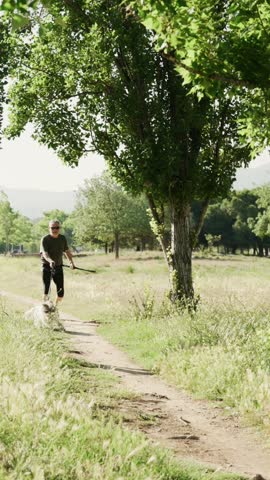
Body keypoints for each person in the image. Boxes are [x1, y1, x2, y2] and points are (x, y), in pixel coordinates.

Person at [40, 219, 75, 305]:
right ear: (49, 228)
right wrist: (50, 261)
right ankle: (45, 310)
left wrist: (71, 263)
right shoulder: (45, 239)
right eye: (53, 228)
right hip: (47, 267)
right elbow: (45, 253)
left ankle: (55, 308)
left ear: (59, 228)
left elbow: (66, 251)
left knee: (61, 293)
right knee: (46, 291)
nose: (55, 230)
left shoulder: (62, 238)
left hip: (58, 267)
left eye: (57, 228)